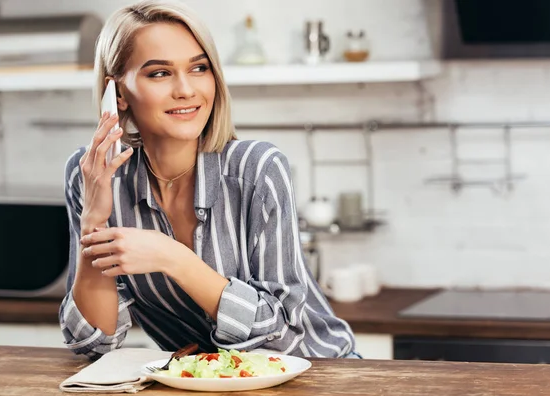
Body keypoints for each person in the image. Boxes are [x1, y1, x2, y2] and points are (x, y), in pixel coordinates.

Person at [59, 0, 358, 360]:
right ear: (118, 93)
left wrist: (173, 258)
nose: (186, 90)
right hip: (207, 383)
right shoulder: (89, 174)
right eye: (159, 73)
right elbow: (93, 342)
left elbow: (280, 336)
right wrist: (94, 219)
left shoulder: (257, 168)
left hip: (321, 376)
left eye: (199, 68)